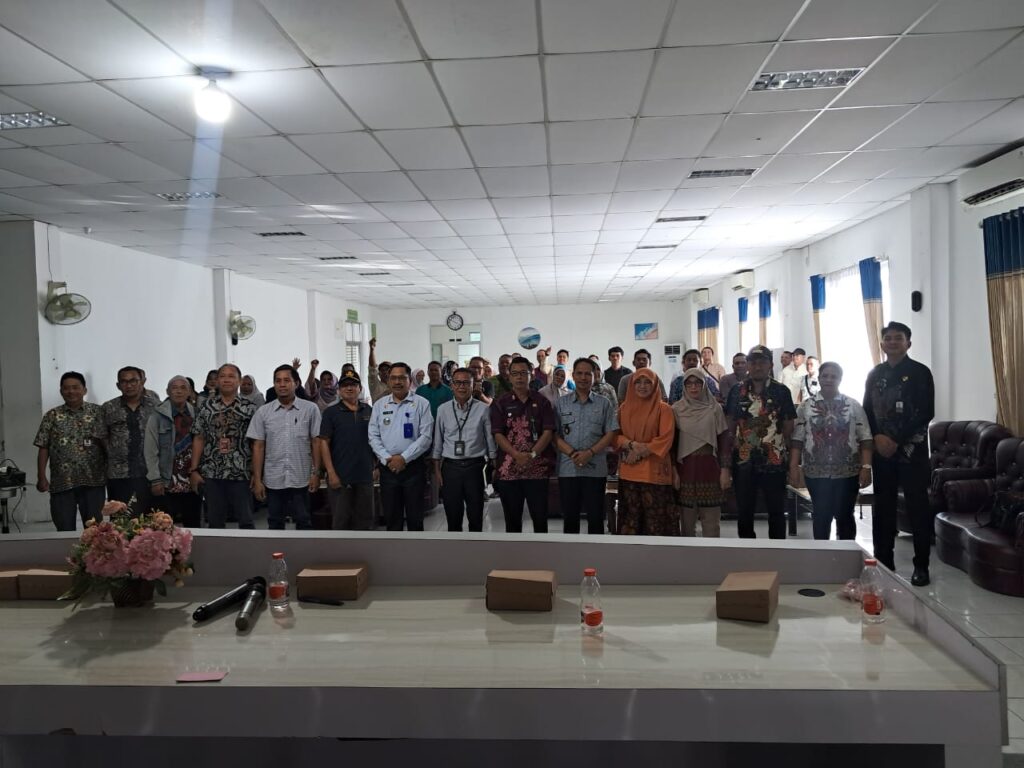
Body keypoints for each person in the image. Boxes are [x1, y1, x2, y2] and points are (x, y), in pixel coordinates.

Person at [863, 322, 936, 586]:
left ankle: (921, 566)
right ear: (882, 344)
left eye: (898, 338)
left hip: (912, 453)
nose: (893, 342)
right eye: (888, 338)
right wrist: (877, 437)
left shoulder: (920, 372)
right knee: (883, 508)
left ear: (908, 343)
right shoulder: (875, 373)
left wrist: (896, 439)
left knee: (918, 509)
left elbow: (926, 412)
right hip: (882, 452)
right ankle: (884, 562)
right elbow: (867, 410)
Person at [789, 362, 873, 541]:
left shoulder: (853, 405)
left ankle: (846, 552)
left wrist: (866, 467)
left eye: (833, 376)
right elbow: (797, 440)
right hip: (815, 473)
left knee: (845, 516)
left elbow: (865, 438)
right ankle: (822, 553)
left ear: (840, 379)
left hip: (847, 473)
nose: (829, 379)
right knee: (821, 516)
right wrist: (793, 467)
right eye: (825, 376)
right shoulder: (805, 406)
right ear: (819, 378)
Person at [724, 345, 796, 539]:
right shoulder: (736, 391)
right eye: (753, 362)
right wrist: (727, 463)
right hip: (744, 461)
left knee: (776, 511)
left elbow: (788, 426)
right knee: (744, 511)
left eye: (762, 362)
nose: (758, 367)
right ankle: (748, 551)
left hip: (774, 461)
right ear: (748, 365)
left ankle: (777, 550)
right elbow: (729, 427)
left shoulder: (781, 391)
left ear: (770, 365)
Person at [248, 364, 322, 531]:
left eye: (286, 380)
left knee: (304, 522)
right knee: (275, 523)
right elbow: (258, 447)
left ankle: (303, 549)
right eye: (278, 381)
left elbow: (316, 442)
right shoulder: (263, 412)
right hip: (274, 479)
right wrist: (258, 480)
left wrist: (316, 473)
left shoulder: (310, 409)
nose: (282, 384)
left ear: (296, 383)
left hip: (301, 478)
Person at [490, 356, 556, 533]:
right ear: (509, 376)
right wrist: (516, 455)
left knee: (540, 520)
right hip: (509, 471)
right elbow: (498, 434)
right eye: (515, 373)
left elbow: (548, 432)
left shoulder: (542, 402)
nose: (519, 377)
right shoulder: (500, 403)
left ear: (531, 375)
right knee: (512, 523)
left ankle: (541, 551)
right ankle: (514, 551)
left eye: (523, 373)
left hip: (538, 470)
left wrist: (532, 455)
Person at [34, 371, 106, 531]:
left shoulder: (98, 412)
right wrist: (41, 476)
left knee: (95, 531)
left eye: (75, 387)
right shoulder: (51, 416)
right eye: (66, 388)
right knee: (64, 529)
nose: (71, 391)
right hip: (62, 482)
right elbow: (43, 447)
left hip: (93, 481)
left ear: (84, 390)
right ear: (61, 391)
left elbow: (107, 444)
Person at [554, 358, 619, 535]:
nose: (583, 377)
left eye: (587, 374)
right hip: (568, 469)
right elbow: (554, 434)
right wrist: (572, 453)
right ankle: (571, 551)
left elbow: (611, 433)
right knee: (570, 519)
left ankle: (595, 552)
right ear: (573, 375)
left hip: (595, 470)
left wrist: (590, 453)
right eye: (579, 373)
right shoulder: (561, 403)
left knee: (596, 518)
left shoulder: (604, 403)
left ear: (594, 376)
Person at [368, 362, 434, 531]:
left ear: (409, 380)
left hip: (414, 469)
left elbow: (426, 437)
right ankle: (394, 549)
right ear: (388, 380)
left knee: (415, 519)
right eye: (393, 378)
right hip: (388, 469)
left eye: (402, 378)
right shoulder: (379, 405)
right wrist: (387, 458)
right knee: (392, 519)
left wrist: (404, 458)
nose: (397, 382)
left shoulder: (422, 404)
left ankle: (415, 548)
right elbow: (373, 436)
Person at [189, 363, 256, 529]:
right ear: (217, 381)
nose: (226, 380)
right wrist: (194, 470)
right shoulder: (206, 407)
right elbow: (199, 437)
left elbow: (256, 443)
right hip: (212, 473)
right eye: (222, 376)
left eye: (231, 376)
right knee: (215, 522)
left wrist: (256, 473)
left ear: (239, 381)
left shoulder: (250, 408)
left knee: (246, 521)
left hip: (241, 473)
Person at [432, 367, 496, 532]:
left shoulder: (483, 409)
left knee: (476, 516)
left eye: (466, 383)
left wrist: (494, 464)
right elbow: (438, 442)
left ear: (473, 385)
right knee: (453, 517)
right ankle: (456, 548)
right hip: (450, 468)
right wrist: (437, 470)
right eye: (458, 383)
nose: (462, 386)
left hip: (475, 467)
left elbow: (490, 439)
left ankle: (475, 548)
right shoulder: (442, 410)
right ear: (451, 385)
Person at [614, 369, 677, 536]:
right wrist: (631, 444)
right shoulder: (624, 409)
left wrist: (640, 452)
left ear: (655, 385)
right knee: (631, 522)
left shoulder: (664, 409)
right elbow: (615, 436)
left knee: (656, 524)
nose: (642, 386)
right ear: (631, 385)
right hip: (629, 473)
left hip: (654, 474)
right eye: (638, 382)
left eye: (648, 382)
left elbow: (666, 438)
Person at [672, 368, 730, 538]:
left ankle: (712, 555)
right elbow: (672, 445)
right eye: (689, 384)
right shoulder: (676, 410)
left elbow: (724, 441)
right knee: (686, 524)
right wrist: (674, 472)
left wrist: (725, 471)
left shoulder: (715, 409)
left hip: (710, 469)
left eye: (697, 383)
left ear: (704, 385)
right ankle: (688, 555)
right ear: (684, 386)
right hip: (685, 470)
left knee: (711, 523)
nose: (693, 387)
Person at [319, 371, 375, 531]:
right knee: (341, 521)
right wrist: (331, 473)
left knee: (365, 521)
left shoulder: (369, 410)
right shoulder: (330, 413)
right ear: (338, 390)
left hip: (365, 476)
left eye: (353, 385)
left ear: (360, 388)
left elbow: (376, 440)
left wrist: (376, 466)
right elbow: (324, 443)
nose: (349, 388)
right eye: (344, 385)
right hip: (341, 476)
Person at [100, 365, 158, 513]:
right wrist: (113, 453)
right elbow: (101, 437)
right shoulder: (108, 407)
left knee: (150, 519)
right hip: (118, 474)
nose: (129, 385)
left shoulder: (156, 406)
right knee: (121, 518)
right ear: (118, 385)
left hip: (149, 472)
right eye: (124, 381)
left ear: (142, 382)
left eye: (133, 380)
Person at [145, 375, 201, 527]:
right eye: (174, 388)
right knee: (164, 528)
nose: (178, 391)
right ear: (167, 391)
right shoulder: (157, 416)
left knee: (193, 526)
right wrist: (155, 479)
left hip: (191, 478)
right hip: (167, 480)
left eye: (183, 388)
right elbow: (150, 450)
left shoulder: (197, 414)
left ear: (190, 392)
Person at [367, 338, 392, 402]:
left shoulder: (396, 386)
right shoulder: (375, 385)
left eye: (387, 370)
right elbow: (372, 368)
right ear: (379, 373)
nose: (385, 372)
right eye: (382, 370)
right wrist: (372, 350)